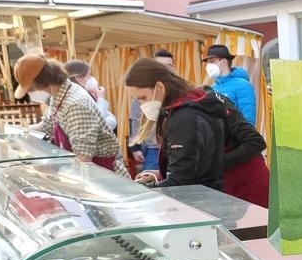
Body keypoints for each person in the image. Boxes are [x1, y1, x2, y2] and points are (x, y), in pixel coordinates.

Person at [13, 54, 129, 176]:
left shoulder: (75, 104)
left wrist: (53, 172)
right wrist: (18, 132)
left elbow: (84, 158)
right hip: (86, 171)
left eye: (31, 89)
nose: (31, 93)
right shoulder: (59, 96)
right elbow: (46, 126)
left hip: (103, 175)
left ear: (41, 83)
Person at [124, 57, 224, 190]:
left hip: (197, 200)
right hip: (204, 194)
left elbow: (180, 180)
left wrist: (145, 193)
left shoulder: (185, 117)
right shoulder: (186, 109)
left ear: (160, 87)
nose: (142, 105)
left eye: (143, 98)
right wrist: (160, 176)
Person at [204, 44, 256, 126]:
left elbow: (248, 120)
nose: (208, 66)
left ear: (224, 62)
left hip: (235, 137)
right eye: (208, 62)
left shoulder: (243, 85)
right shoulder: (213, 87)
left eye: (212, 61)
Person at [65, 59, 117, 132]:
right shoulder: (78, 98)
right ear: (78, 78)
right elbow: (99, 122)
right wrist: (101, 99)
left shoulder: (86, 94)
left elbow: (108, 119)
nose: (92, 78)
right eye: (89, 75)